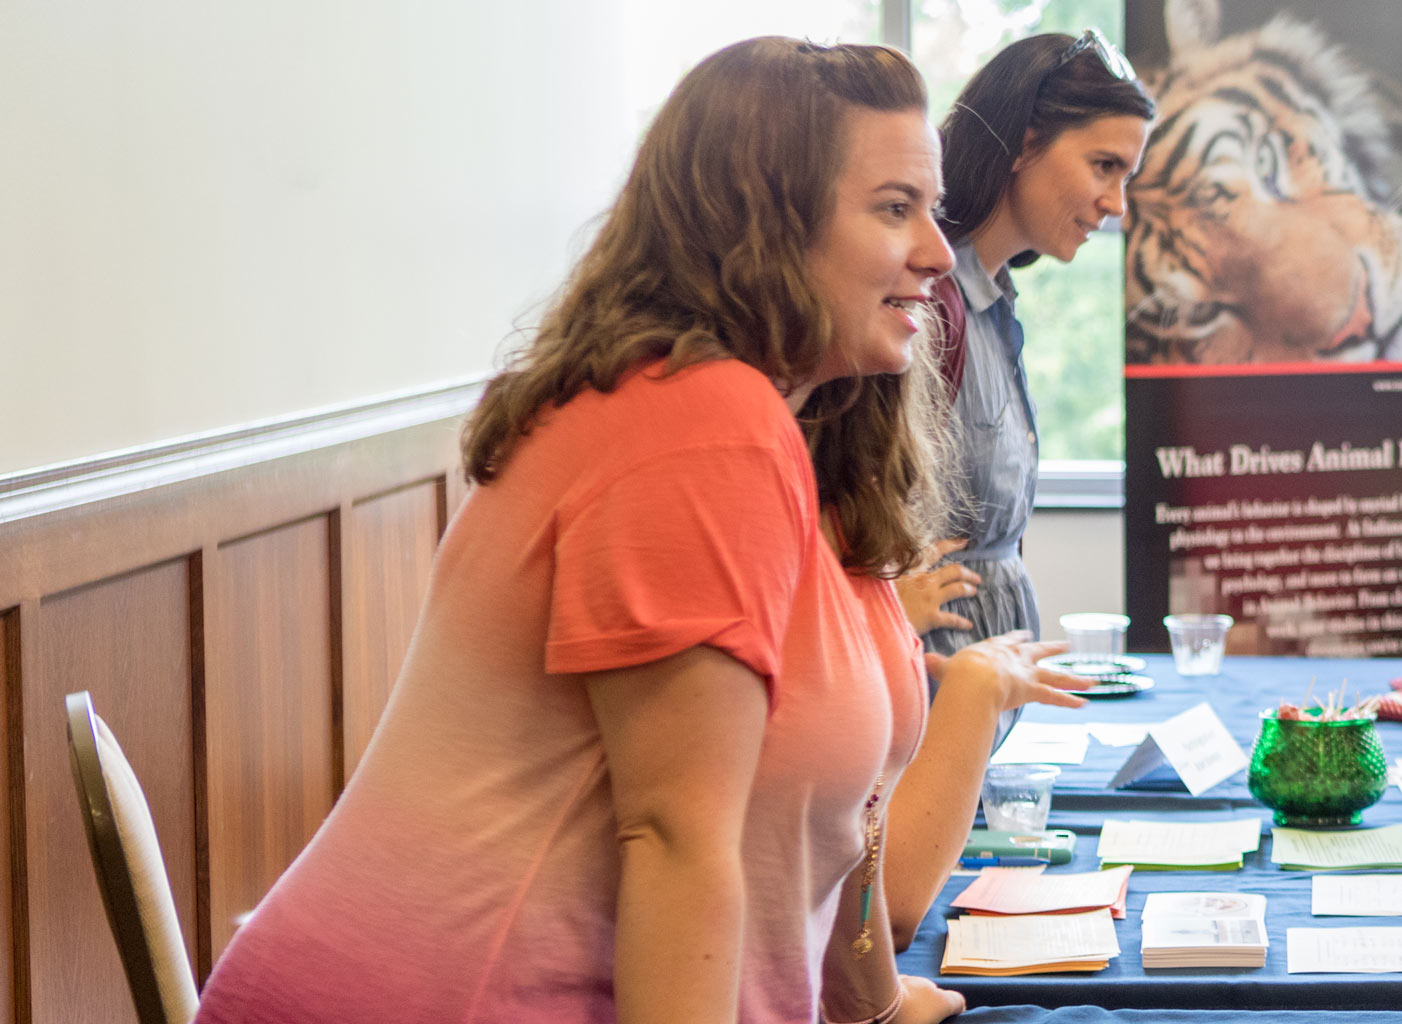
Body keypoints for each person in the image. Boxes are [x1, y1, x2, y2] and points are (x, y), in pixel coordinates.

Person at [196, 38, 1076, 1024]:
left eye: (931, 207)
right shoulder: (695, 422)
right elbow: (674, 840)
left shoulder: (797, 439)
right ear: (763, 225)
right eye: (892, 208)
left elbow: (850, 820)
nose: (936, 251)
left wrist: (876, 1005)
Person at [904, 29, 1157, 655]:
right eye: (1105, 166)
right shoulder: (922, 304)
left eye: (1127, 176)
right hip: (929, 717)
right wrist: (878, 609)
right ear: (1024, 144)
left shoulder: (992, 303)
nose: (1117, 204)